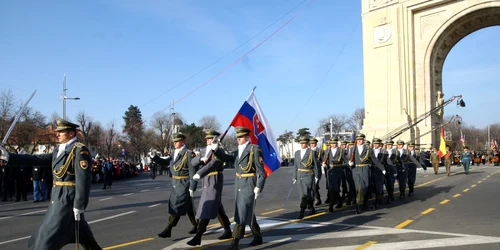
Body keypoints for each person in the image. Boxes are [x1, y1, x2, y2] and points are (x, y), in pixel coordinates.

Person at [0, 118, 102, 250]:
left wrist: (79, 204)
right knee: (85, 238)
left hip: (67, 200)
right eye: (57, 132)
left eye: (61, 132)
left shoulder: (79, 151)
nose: (57, 134)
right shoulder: (58, 150)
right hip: (58, 197)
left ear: (71, 134)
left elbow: (83, 180)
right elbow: (37, 159)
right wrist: (9, 157)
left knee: (45, 240)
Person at [213, 127, 266, 250]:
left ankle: (235, 240)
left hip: (249, 183)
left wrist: (259, 185)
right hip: (238, 183)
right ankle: (257, 236)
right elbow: (227, 158)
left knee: (241, 212)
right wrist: (216, 150)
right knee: (247, 210)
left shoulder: (254, 149)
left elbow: (260, 171)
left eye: (241, 137)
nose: (238, 139)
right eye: (237, 137)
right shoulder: (237, 151)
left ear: (247, 137)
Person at [186, 130, 232, 246]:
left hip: (215, 179)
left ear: (215, 139)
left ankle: (199, 235)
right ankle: (227, 229)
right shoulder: (203, 151)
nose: (207, 140)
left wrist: (200, 173)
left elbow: (213, 164)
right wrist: (200, 159)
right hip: (206, 180)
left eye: (210, 138)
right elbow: (192, 162)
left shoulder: (218, 151)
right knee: (216, 205)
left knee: (207, 206)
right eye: (206, 138)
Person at [151, 133, 198, 239]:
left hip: (184, 184)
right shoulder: (173, 153)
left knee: (177, 206)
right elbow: (165, 161)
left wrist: (192, 186)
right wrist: (154, 157)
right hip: (176, 184)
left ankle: (168, 229)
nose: (174, 143)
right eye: (174, 142)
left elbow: (192, 172)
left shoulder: (189, 153)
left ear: (182, 142)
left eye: (176, 142)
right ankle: (197, 225)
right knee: (188, 207)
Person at [293, 136, 320, 218]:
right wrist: (294, 176)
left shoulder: (311, 153)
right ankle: (312, 208)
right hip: (300, 175)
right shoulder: (297, 153)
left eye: (304, 143)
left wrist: (317, 176)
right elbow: (295, 166)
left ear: (307, 144)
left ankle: (302, 211)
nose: (302, 145)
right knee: (304, 194)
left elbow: (316, 165)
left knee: (305, 194)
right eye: (301, 143)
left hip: (308, 175)